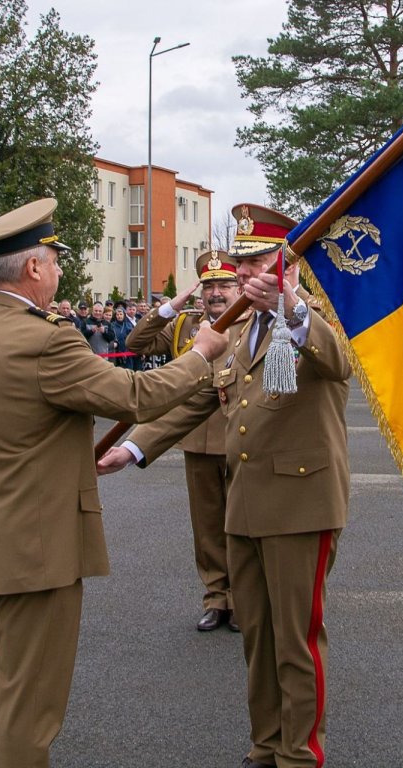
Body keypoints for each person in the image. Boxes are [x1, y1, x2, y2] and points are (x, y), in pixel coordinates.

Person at [0, 198, 229, 768]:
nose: (60, 269)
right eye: (54, 259)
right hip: (36, 550)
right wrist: (200, 354)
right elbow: (137, 395)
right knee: (30, 705)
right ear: (32, 269)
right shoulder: (45, 339)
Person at [98, 203, 350, 768]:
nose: (242, 274)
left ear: (288, 264)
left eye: (257, 260)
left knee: (296, 641)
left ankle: (301, 754)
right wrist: (134, 446)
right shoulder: (238, 331)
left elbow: (340, 362)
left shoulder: (315, 315)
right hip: (245, 504)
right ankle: (266, 745)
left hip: (300, 504)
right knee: (257, 639)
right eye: (239, 264)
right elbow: (197, 399)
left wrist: (289, 306)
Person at [125, 250, 246, 632]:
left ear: (237, 287)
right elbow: (136, 342)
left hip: (241, 438)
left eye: (224, 285)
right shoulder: (185, 326)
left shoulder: (250, 323)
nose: (216, 294)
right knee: (207, 528)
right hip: (195, 439)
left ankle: (244, 601)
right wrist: (168, 308)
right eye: (209, 286)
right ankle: (216, 598)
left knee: (241, 524)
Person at [108, 303, 135, 369]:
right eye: (117, 314)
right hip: (116, 353)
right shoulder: (112, 325)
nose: (119, 316)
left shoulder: (129, 326)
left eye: (121, 314)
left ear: (124, 315)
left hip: (127, 353)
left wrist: (127, 351)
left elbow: (132, 340)